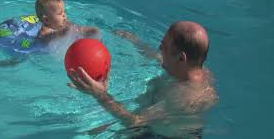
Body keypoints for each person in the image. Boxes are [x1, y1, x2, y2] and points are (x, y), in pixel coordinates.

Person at [67, 21, 218, 138]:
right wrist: (135, 41)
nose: (159, 49)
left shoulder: (186, 96)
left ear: (181, 58)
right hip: (156, 124)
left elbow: (136, 123)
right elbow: (158, 57)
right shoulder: (192, 69)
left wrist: (100, 95)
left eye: (163, 46)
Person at [0, 0, 99, 70]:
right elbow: (47, 39)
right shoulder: (44, 31)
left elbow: (78, 28)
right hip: (26, 45)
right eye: (60, 14)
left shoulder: (64, 22)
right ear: (46, 19)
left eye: (65, 11)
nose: (64, 15)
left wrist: (87, 30)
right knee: (20, 59)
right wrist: (62, 33)